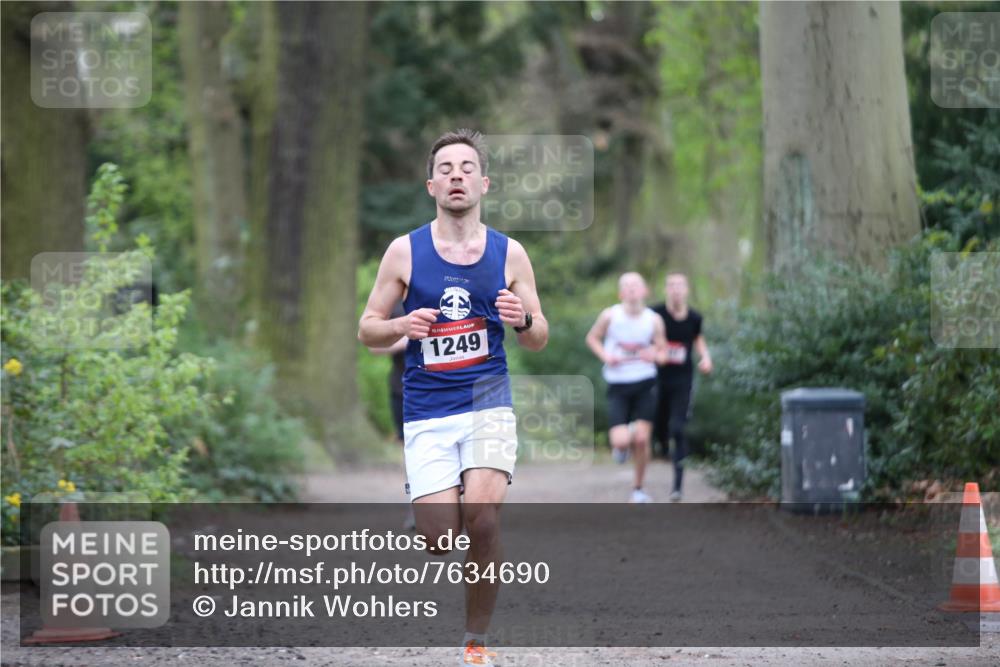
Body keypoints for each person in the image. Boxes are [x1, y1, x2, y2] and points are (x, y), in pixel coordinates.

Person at [358, 129, 548, 666]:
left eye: (467, 167)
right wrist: (401, 323)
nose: (457, 175)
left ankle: (475, 642)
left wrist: (525, 319)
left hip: (489, 401)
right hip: (427, 410)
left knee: (483, 521)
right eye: (446, 168)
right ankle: (425, 498)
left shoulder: (510, 253)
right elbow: (367, 330)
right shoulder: (404, 251)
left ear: (484, 183)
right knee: (440, 539)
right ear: (431, 184)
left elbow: (538, 339)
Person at [585, 272, 668, 503]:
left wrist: (654, 354)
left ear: (645, 291)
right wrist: (606, 356)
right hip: (618, 384)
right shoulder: (610, 315)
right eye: (627, 286)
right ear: (621, 293)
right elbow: (591, 338)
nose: (632, 289)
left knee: (642, 439)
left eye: (636, 285)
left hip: (645, 382)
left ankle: (638, 489)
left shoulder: (654, 320)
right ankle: (622, 444)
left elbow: (663, 354)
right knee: (621, 441)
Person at [651, 272, 712, 501]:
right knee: (659, 425)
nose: (676, 289)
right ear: (666, 289)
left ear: (686, 290)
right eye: (672, 285)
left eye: (680, 285)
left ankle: (677, 486)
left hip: (682, 381)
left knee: (678, 428)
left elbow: (698, 339)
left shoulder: (694, 317)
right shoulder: (655, 314)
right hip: (656, 379)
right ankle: (662, 444)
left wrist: (706, 357)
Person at [365, 300, 415, 530]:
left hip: (449, 389)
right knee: (411, 450)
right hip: (402, 388)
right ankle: (417, 505)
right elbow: (374, 347)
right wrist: (408, 336)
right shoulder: (396, 304)